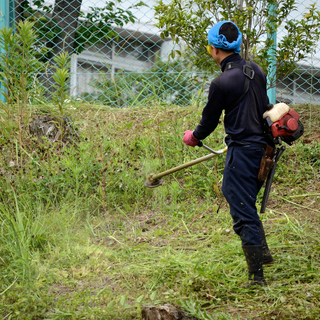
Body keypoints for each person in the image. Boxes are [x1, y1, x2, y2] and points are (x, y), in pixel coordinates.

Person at [182, 21, 274, 286]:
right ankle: (264, 253)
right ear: (237, 44)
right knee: (246, 201)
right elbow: (263, 105)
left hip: (243, 151)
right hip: (264, 151)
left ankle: (257, 278)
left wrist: (194, 137)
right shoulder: (256, 70)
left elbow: (208, 121)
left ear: (214, 50)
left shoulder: (221, 82)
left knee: (241, 207)